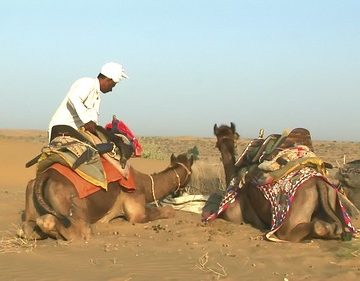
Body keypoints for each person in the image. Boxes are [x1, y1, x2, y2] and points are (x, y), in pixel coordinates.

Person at [48, 62, 128, 141]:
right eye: (113, 85)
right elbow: (73, 98)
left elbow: (92, 122)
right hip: (62, 129)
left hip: (75, 132)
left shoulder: (96, 95)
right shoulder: (87, 83)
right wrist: (87, 121)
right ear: (108, 80)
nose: (111, 90)